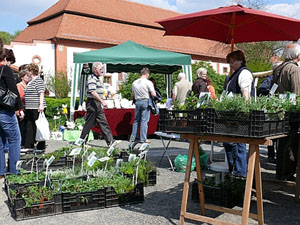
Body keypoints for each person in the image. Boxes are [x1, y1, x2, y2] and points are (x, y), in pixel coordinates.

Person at [272, 43, 300, 181]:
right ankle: (287, 174)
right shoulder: (294, 69)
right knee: (291, 143)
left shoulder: (278, 68)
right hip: (291, 112)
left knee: (282, 143)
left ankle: (280, 172)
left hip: (280, 109)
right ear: (297, 55)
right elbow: (297, 93)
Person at [223, 50, 254, 177]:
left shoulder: (244, 73)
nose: (231, 64)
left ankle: (240, 175)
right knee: (229, 143)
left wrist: (243, 112)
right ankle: (234, 172)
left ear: (240, 60)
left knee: (237, 144)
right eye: (229, 62)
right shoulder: (234, 74)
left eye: (232, 61)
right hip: (231, 115)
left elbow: (245, 94)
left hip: (238, 116)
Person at [75, 62, 114, 146]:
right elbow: (92, 92)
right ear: (95, 69)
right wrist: (102, 101)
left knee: (103, 122)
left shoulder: (97, 79)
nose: (102, 71)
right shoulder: (92, 78)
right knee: (89, 123)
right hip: (93, 103)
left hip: (97, 104)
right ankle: (81, 142)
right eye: (100, 69)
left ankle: (110, 142)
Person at [0, 47, 23, 176]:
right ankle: (15, 171)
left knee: (0, 142)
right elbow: (13, 90)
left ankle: (1, 171)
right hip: (5, 110)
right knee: (14, 139)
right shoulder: (5, 69)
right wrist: (19, 108)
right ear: (5, 58)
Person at [129, 68, 156, 145]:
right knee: (144, 121)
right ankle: (143, 138)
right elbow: (153, 94)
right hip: (145, 101)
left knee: (136, 120)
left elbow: (133, 94)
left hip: (137, 101)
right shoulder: (148, 82)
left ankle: (133, 137)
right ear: (147, 74)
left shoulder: (134, 82)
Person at [24, 63, 46, 150]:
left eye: (28, 70)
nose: (27, 72)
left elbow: (41, 93)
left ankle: (41, 146)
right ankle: (29, 145)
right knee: (30, 126)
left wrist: (41, 105)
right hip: (30, 107)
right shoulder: (30, 81)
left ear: (32, 71)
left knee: (38, 126)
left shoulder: (38, 80)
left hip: (36, 107)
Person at [16, 68, 29, 147]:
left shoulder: (29, 85)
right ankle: (21, 143)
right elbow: (17, 99)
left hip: (28, 108)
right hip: (21, 108)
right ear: (22, 77)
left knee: (27, 127)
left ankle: (26, 142)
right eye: (26, 76)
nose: (28, 77)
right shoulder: (18, 86)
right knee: (21, 127)